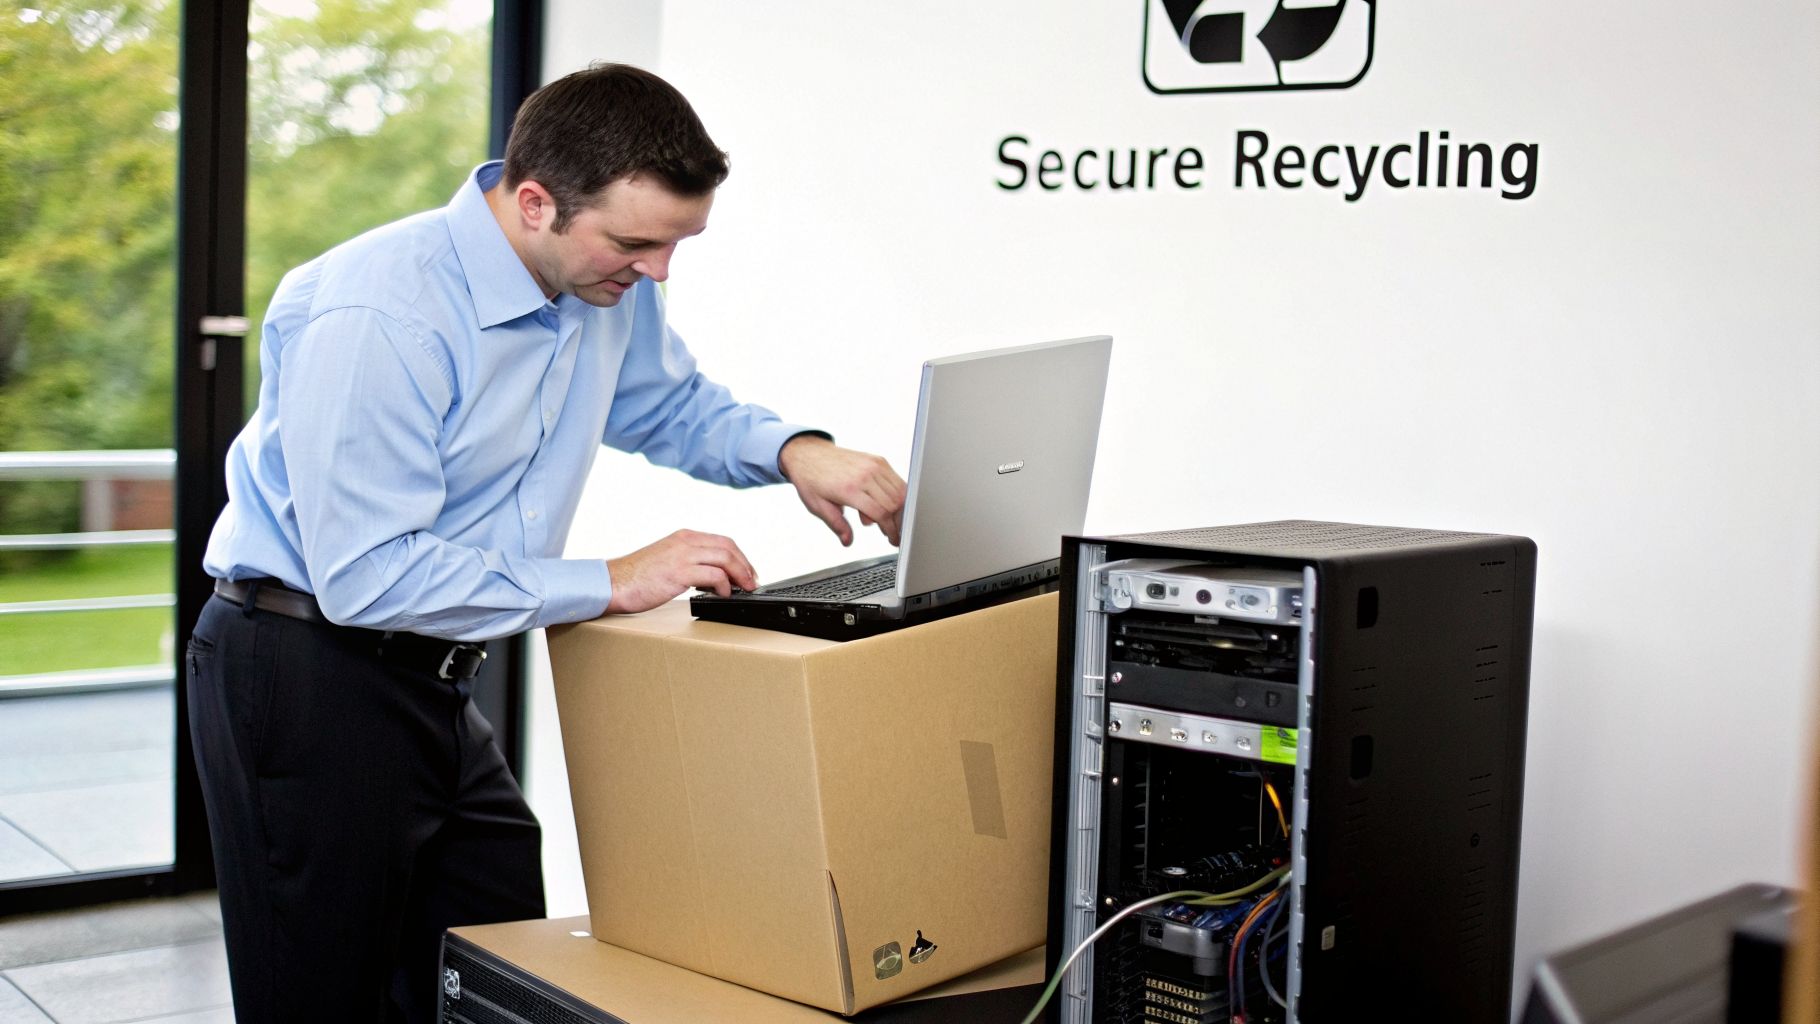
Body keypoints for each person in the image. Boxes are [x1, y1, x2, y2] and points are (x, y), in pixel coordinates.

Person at [186, 63, 906, 1022]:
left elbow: (667, 404)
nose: (656, 272)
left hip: (435, 675)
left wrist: (794, 450)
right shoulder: (379, 313)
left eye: (676, 245)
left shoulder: (598, 281)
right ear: (535, 202)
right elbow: (369, 574)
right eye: (637, 243)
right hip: (307, 667)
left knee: (498, 968)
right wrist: (609, 580)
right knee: (323, 998)